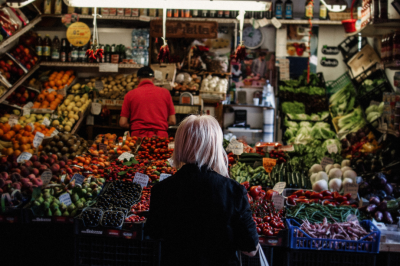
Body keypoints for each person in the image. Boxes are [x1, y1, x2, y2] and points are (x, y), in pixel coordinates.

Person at [145, 115, 259, 266]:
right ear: (214, 146)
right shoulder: (233, 191)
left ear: (180, 144)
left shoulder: (161, 189)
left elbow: (154, 233)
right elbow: (250, 249)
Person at [119, 66, 176, 138]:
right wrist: (159, 125)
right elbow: (172, 121)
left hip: (138, 137)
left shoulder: (130, 95)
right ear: (153, 78)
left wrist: (136, 126)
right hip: (160, 138)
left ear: (138, 79)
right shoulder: (165, 93)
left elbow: (123, 123)